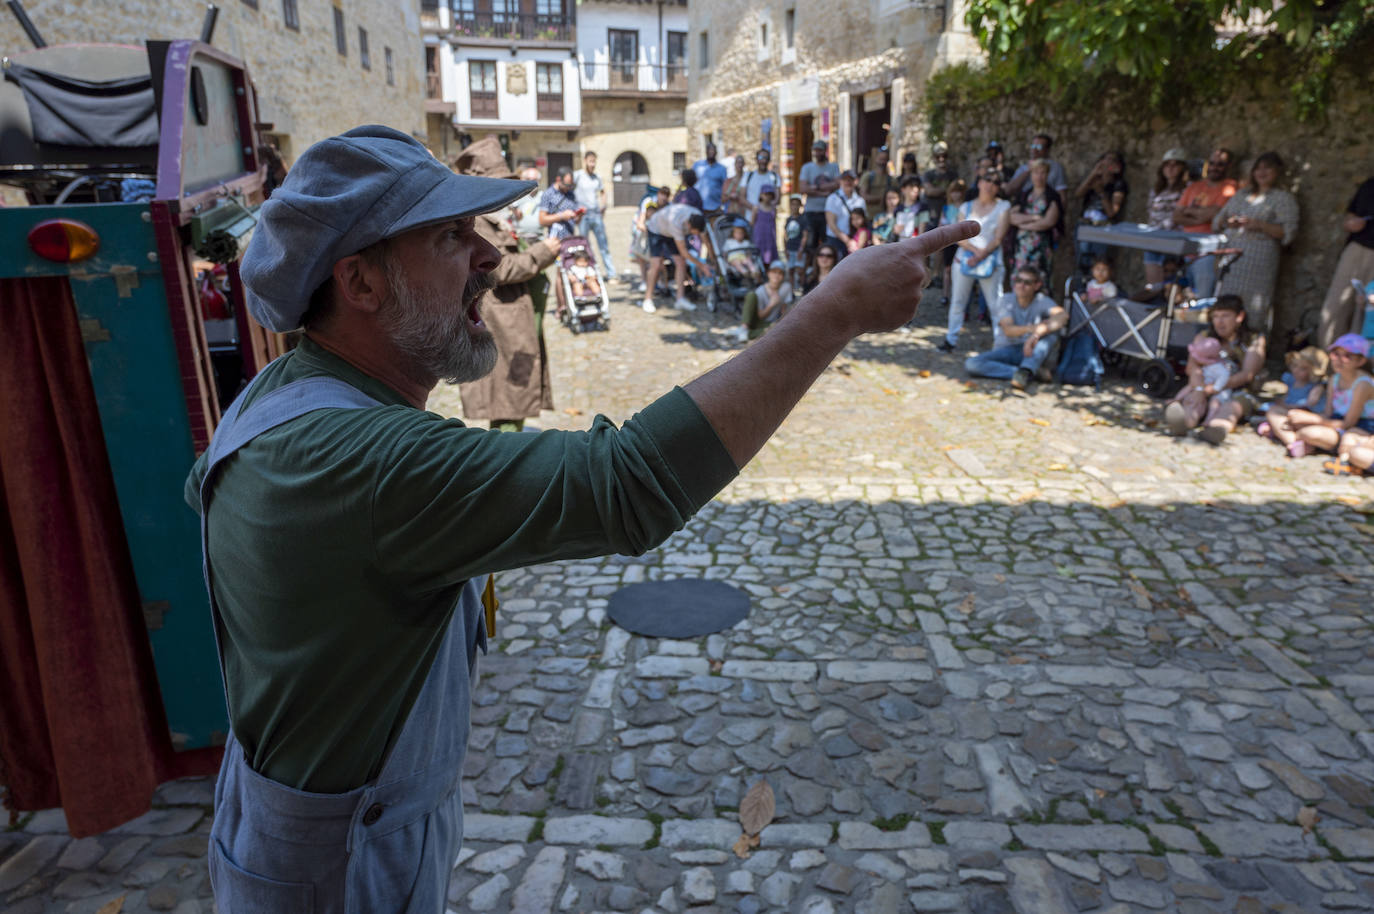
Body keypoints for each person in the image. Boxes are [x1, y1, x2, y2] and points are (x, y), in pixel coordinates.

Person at [190, 124, 975, 914]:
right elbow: (627, 483)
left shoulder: (291, 394)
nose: (489, 257)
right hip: (339, 870)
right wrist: (834, 309)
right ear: (359, 284)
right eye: (451, 237)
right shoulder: (358, 459)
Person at [451, 139, 562, 434]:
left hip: (515, 319)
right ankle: (507, 459)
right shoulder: (477, 223)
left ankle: (511, 442)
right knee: (508, 396)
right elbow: (500, 269)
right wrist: (543, 253)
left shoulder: (492, 218)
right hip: (502, 323)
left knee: (518, 390)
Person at [1212, 151, 1300, 334]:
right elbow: (1218, 221)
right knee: (1227, 304)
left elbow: (1288, 232)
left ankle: (1250, 350)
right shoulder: (1241, 195)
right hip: (1231, 260)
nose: (1262, 172)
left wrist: (1258, 225)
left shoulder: (1283, 199)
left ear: (1277, 172)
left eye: (1267, 168)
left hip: (1258, 261)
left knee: (1253, 309)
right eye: (1258, 168)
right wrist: (1230, 223)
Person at [1162, 295, 1265, 442]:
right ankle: (1183, 423)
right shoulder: (1204, 337)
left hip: (1238, 390)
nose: (1219, 322)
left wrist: (1212, 389)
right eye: (1216, 316)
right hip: (1203, 385)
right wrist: (1199, 389)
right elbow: (1192, 367)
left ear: (1239, 316)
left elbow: (1247, 374)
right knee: (1193, 402)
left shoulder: (1253, 339)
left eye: (1225, 316)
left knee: (1231, 408)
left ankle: (1216, 429)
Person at [940, 170, 1011, 352]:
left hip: (990, 260)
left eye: (995, 182)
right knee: (958, 301)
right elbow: (959, 236)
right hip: (965, 258)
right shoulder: (966, 207)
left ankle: (1001, 344)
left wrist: (981, 255)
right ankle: (951, 340)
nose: (990, 185)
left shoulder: (1003, 207)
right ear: (979, 182)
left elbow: (998, 237)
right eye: (987, 180)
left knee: (995, 303)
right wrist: (974, 252)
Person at [964, 265, 1065, 390]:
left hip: (1031, 352)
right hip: (1007, 350)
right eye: (1018, 280)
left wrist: (1036, 334)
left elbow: (1063, 316)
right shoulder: (1005, 300)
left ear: (1037, 285)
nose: (1021, 285)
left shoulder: (1042, 301)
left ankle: (1026, 370)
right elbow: (1009, 330)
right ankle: (1026, 372)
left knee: (1051, 334)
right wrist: (1032, 329)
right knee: (972, 364)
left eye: (1027, 282)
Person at [1281, 334, 1374, 458]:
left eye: (1347, 356)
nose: (1339, 360)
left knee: (1310, 433)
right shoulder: (1334, 379)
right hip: (1335, 422)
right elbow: (1328, 414)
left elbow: (1348, 424)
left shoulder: (1363, 385)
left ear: (1361, 361)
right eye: (1336, 354)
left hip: (1359, 428)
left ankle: (1298, 441)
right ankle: (1304, 443)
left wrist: (1312, 419)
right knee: (1285, 416)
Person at [1317, 175, 1374, 347]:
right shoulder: (1369, 185)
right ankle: (1329, 364)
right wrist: (1351, 223)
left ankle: (1359, 369)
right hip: (1356, 251)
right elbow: (1349, 218)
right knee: (1335, 309)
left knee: (1367, 314)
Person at [1174, 147, 1238, 297]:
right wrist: (1201, 215)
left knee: (1203, 298)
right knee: (1181, 297)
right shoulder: (1194, 187)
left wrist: (1189, 211)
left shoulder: (1230, 187)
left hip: (1209, 252)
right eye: (1212, 163)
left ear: (1228, 167)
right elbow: (1176, 216)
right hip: (1186, 250)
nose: (1215, 167)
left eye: (1220, 164)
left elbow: (1215, 214)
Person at [643, 201, 715, 312]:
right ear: (689, 226)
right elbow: (684, 252)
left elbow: (706, 240)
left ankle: (680, 299)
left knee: (681, 263)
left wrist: (714, 260)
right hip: (656, 229)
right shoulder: (676, 223)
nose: (694, 235)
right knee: (656, 264)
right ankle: (647, 299)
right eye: (693, 233)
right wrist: (702, 266)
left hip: (670, 230)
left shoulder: (698, 217)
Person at [1256, 346, 1328, 447]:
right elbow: (1288, 396)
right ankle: (1278, 429)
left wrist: (1286, 406)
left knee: (1274, 412)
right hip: (1288, 410)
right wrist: (1282, 402)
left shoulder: (1316, 387)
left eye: (1303, 369)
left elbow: (1308, 406)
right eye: (1295, 366)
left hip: (1304, 414)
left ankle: (1289, 439)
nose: (1296, 370)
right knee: (1269, 409)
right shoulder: (1291, 380)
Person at [1008, 159, 1063, 284]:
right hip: (1021, 247)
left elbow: (1049, 221)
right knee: (1019, 279)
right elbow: (1011, 217)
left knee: (1039, 280)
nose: (1039, 176)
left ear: (1047, 174)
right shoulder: (1024, 195)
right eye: (1036, 172)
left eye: (1042, 172)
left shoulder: (1051, 196)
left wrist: (1024, 225)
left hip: (1041, 248)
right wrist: (1034, 217)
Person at [1142, 149, 1190, 287]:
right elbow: (1151, 211)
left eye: (1175, 164)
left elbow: (1184, 213)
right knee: (1154, 284)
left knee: (1172, 283)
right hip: (1154, 237)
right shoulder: (1157, 189)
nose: (1171, 168)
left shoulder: (1188, 188)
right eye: (1167, 164)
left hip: (1175, 240)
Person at [1074, 151, 1128, 270]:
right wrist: (1093, 174)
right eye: (1105, 159)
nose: (1107, 163)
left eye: (1112, 160)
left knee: (1099, 263)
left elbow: (1112, 212)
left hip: (1103, 226)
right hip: (1085, 223)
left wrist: (1101, 192)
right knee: (1081, 262)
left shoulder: (1118, 185)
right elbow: (1078, 194)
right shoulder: (1093, 180)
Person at [571, 151, 616, 281]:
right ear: (585, 161)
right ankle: (588, 272)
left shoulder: (597, 177)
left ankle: (611, 273)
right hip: (583, 216)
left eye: (594, 161)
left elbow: (603, 192)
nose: (592, 164)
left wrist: (604, 207)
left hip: (595, 214)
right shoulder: (577, 176)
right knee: (584, 245)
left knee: (603, 244)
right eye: (590, 161)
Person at [727, 260, 794, 342]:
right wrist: (771, 305)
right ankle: (744, 328)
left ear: (783, 276)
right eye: (774, 272)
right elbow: (760, 316)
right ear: (769, 273)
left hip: (770, 323)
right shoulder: (760, 290)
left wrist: (784, 324)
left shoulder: (786, 287)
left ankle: (746, 333)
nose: (777, 275)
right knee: (751, 295)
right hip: (757, 320)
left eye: (780, 273)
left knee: (777, 331)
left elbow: (784, 309)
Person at [799, 139, 840, 264]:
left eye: (820, 150)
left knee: (826, 244)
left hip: (828, 212)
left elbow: (838, 184)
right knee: (810, 244)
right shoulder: (807, 167)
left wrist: (814, 188)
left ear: (825, 151)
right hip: (811, 211)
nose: (817, 153)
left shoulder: (833, 166)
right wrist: (823, 191)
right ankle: (810, 269)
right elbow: (803, 188)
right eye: (815, 150)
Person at [629, 184, 670, 294]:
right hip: (646, 233)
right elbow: (640, 221)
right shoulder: (648, 202)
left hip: (657, 234)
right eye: (662, 195)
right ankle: (644, 281)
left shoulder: (666, 206)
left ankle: (662, 282)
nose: (664, 198)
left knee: (658, 260)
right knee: (642, 258)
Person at [939, 178, 969, 301]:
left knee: (962, 269)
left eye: (958, 191)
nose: (955, 194)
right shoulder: (946, 208)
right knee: (947, 269)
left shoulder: (967, 207)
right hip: (949, 242)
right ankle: (946, 294)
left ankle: (960, 296)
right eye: (953, 191)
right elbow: (941, 224)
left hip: (963, 243)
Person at [824, 169, 866, 255]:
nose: (848, 182)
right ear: (840, 181)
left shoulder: (860, 200)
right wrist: (847, 241)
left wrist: (859, 241)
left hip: (855, 241)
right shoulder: (832, 198)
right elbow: (831, 224)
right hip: (836, 240)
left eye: (850, 180)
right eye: (845, 180)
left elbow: (863, 223)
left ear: (856, 181)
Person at [538, 166, 583, 241]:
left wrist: (580, 215)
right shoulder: (548, 194)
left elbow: (576, 221)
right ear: (558, 180)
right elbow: (542, 220)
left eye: (570, 185)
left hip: (570, 239)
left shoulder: (571, 194)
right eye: (566, 185)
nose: (568, 188)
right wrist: (562, 216)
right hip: (554, 240)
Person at [745, 184, 779, 266]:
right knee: (758, 257)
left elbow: (774, 223)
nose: (768, 197)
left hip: (770, 237)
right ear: (761, 195)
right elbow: (751, 223)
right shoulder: (756, 208)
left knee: (770, 258)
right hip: (759, 237)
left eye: (770, 194)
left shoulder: (773, 209)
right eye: (765, 194)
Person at [921, 140, 960, 210]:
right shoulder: (928, 174)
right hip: (932, 210)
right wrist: (948, 190)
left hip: (948, 210)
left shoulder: (953, 174)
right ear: (934, 158)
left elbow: (957, 191)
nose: (941, 159)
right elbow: (929, 191)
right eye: (937, 156)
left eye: (944, 156)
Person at [692, 142, 728, 215]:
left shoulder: (722, 169)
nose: (711, 152)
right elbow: (691, 182)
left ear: (716, 152)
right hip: (698, 206)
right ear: (706, 151)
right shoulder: (697, 165)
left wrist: (723, 205)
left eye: (713, 150)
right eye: (709, 150)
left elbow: (725, 188)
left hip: (715, 207)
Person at [858, 146, 894, 217]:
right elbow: (863, 196)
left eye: (884, 159)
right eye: (881, 159)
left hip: (886, 216)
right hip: (870, 216)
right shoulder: (867, 176)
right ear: (876, 159)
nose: (882, 161)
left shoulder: (891, 179)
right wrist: (882, 198)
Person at [783, 194, 807, 288]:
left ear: (800, 206)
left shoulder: (803, 219)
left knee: (800, 270)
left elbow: (805, 236)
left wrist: (801, 249)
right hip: (790, 248)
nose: (794, 206)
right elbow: (785, 235)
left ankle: (802, 288)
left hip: (798, 249)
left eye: (797, 204)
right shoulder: (788, 219)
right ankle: (792, 290)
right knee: (791, 270)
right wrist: (785, 249)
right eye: (792, 204)